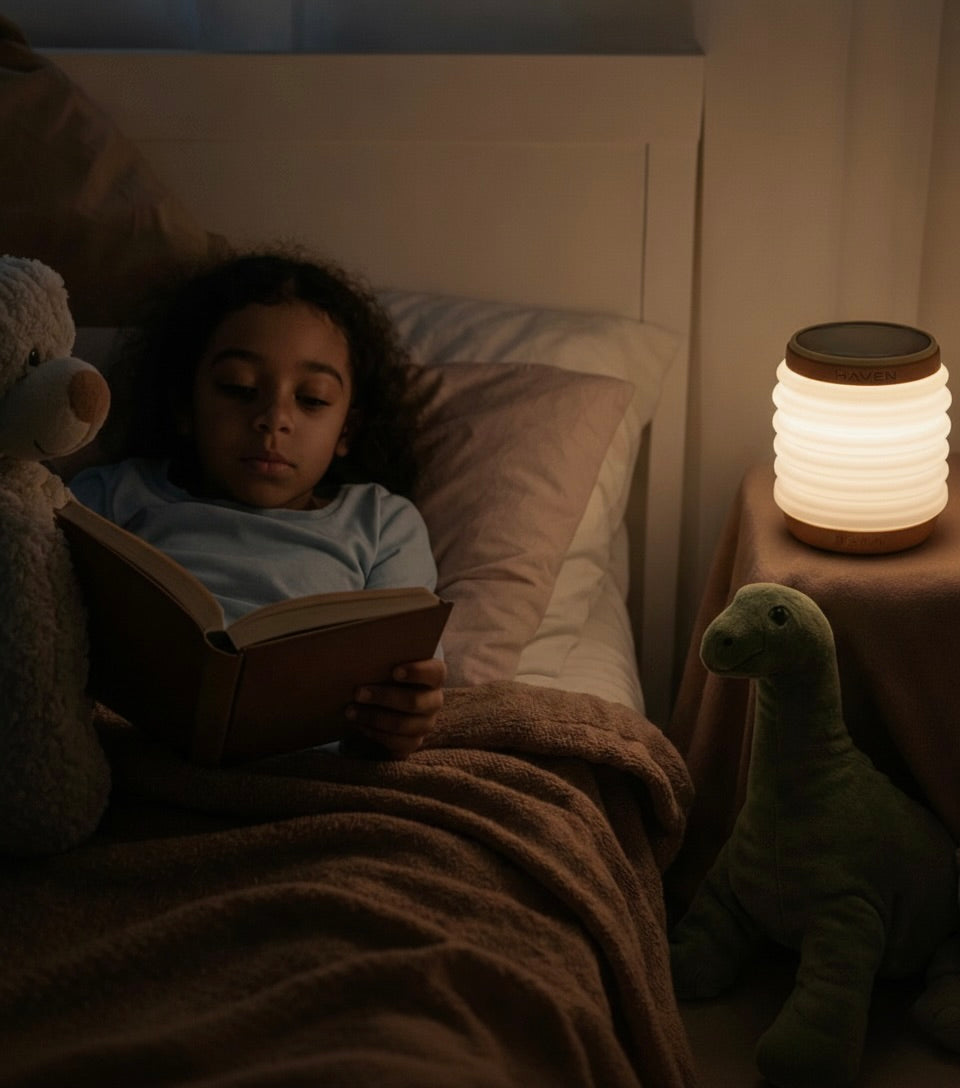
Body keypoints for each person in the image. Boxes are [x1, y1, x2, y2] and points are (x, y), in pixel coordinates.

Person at [71, 249, 445, 758]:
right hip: (127, 756)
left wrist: (405, 714)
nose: (274, 419)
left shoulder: (383, 522)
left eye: (311, 399)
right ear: (185, 404)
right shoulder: (110, 496)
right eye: (239, 388)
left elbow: (410, 671)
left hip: (310, 775)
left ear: (347, 430)